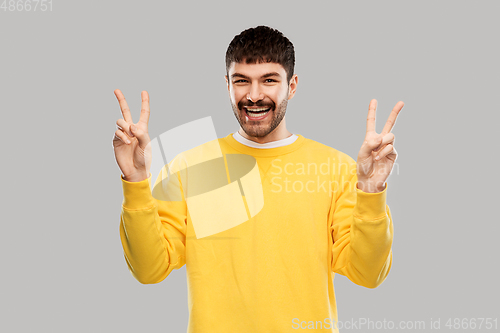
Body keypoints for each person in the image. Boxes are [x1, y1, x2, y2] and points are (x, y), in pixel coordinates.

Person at [112, 25, 403, 333]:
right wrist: (136, 181)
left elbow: (368, 274)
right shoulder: (190, 167)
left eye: (269, 80)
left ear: (291, 86)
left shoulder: (335, 168)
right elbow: (148, 269)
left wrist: (372, 190)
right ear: (227, 84)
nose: (253, 95)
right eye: (241, 81)